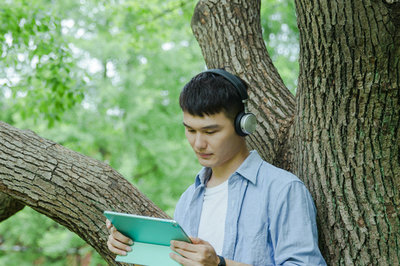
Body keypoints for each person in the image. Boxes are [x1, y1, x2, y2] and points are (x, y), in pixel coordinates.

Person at [106, 69, 327, 265]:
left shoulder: (283, 190)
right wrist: (133, 248)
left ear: (243, 125)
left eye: (210, 132)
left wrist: (220, 265)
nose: (198, 144)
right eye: (191, 131)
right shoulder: (187, 200)